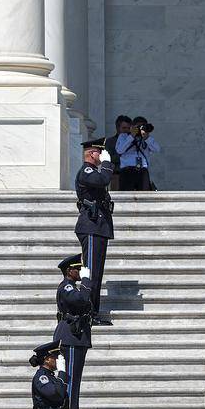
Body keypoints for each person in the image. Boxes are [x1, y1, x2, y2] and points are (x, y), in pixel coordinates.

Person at [75, 138, 114, 326]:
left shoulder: (92, 171)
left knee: (96, 273)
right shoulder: (86, 171)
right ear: (92, 154)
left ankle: (93, 313)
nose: (102, 156)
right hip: (90, 226)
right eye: (100, 153)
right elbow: (103, 179)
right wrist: (106, 163)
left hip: (98, 226)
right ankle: (86, 313)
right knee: (90, 272)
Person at [53, 255, 92, 409]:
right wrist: (86, 281)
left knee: (73, 384)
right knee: (69, 384)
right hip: (71, 337)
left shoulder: (71, 287)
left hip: (74, 337)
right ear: (69, 271)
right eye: (78, 269)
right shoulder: (67, 287)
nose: (80, 271)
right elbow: (82, 300)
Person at [115, 116, 160, 191]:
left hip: (142, 171)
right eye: (138, 127)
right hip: (127, 171)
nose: (140, 130)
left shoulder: (146, 138)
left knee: (145, 197)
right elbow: (119, 150)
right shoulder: (124, 136)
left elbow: (157, 149)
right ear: (132, 127)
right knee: (126, 197)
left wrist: (147, 138)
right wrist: (131, 136)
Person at [27, 340, 69, 409]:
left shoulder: (50, 376)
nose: (58, 359)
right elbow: (56, 394)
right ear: (47, 359)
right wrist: (62, 373)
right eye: (56, 356)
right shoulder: (42, 378)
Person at [103, 115, 131, 190]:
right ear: (117, 128)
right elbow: (108, 159)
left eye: (128, 128)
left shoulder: (134, 142)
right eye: (124, 128)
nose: (126, 130)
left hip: (133, 175)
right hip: (117, 176)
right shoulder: (110, 142)